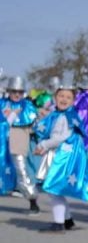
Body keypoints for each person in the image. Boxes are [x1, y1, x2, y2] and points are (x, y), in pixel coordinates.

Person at [32, 86, 88, 232]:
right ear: (55, 97)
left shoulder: (67, 116)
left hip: (62, 157)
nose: (64, 99)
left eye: (68, 97)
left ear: (73, 101)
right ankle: (67, 220)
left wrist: (42, 145)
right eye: (61, 96)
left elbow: (61, 137)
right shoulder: (59, 114)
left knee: (54, 189)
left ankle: (59, 224)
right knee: (56, 190)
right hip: (58, 154)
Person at [2, 76, 41, 212]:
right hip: (2, 144)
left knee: (22, 172)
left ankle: (33, 201)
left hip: (17, 144)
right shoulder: (2, 103)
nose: (17, 94)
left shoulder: (27, 106)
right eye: (14, 91)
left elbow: (33, 125)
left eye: (19, 92)